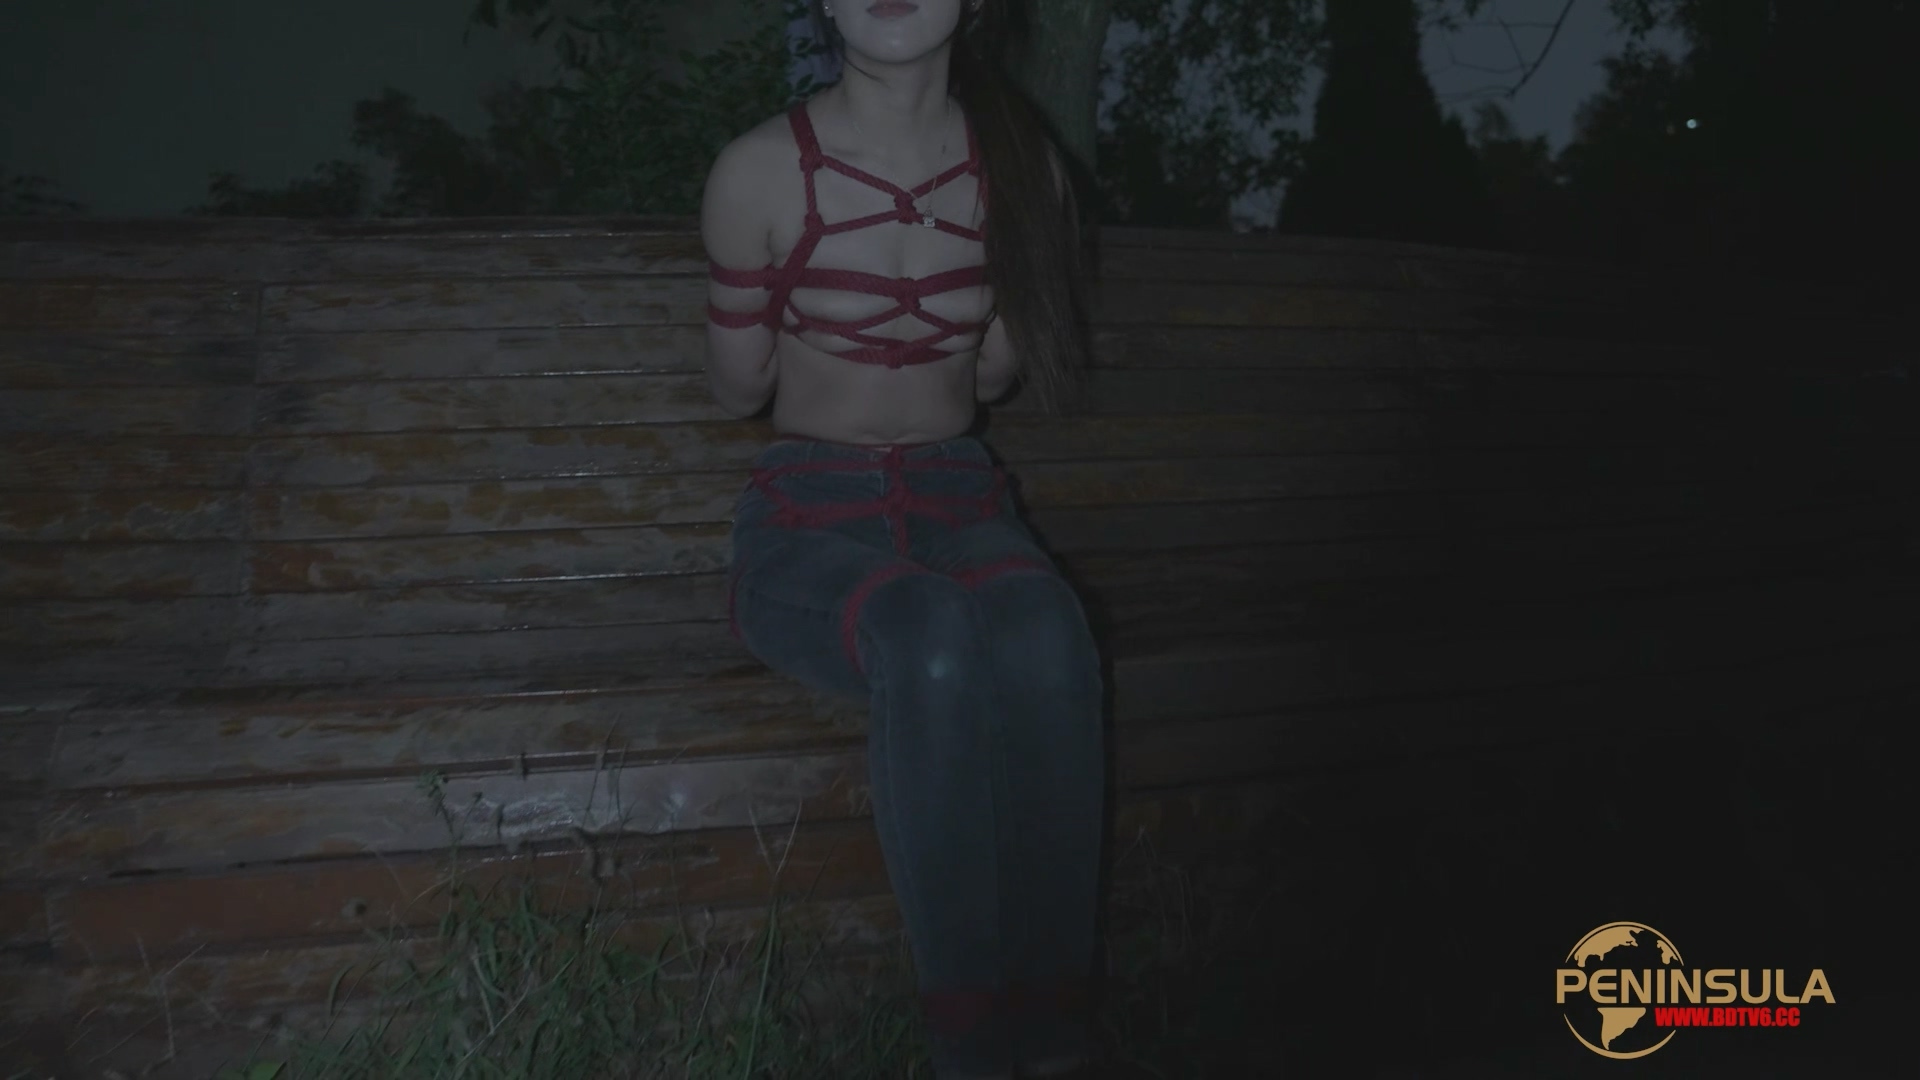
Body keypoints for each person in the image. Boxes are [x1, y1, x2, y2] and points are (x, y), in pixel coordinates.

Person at [699, 1, 1104, 1077]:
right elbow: (738, 399)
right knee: (928, 634)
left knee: (1048, 634)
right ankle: (968, 1041)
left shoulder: (1028, 174)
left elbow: (990, 379)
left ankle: (1056, 1032)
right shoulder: (755, 172)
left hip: (960, 501)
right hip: (807, 516)